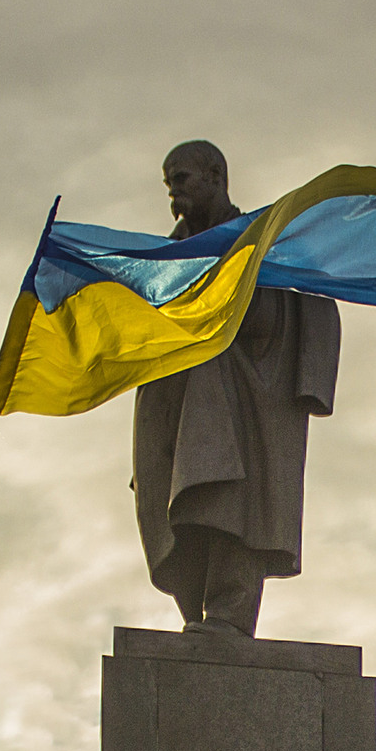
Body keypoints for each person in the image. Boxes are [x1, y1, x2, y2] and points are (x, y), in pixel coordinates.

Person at [132, 141, 341, 638]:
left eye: (180, 180)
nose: (174, 194)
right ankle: (197, 615)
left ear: (216, 174)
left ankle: (229, 614)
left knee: (230, 502)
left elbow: (312, 299)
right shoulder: (167, 260)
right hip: (175, 404)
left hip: (249, 395)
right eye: (168, 186)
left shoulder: (263, 243)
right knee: (176, 509)